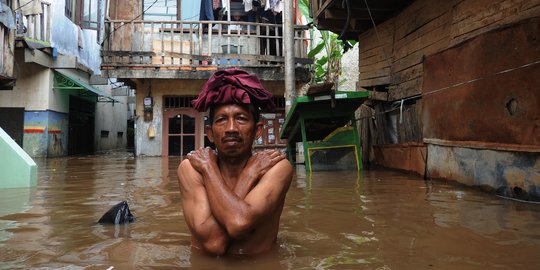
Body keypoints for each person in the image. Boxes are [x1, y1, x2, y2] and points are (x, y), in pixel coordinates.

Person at [177, 68, 293, 256]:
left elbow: (239, 223)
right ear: (210, 133)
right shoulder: (192, 169)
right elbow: (213, 243)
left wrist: (248, 172)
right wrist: (212, 168)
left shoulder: (278, 168)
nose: (231, 128)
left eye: (241, 118)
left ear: (258, 131)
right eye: (222, 120)